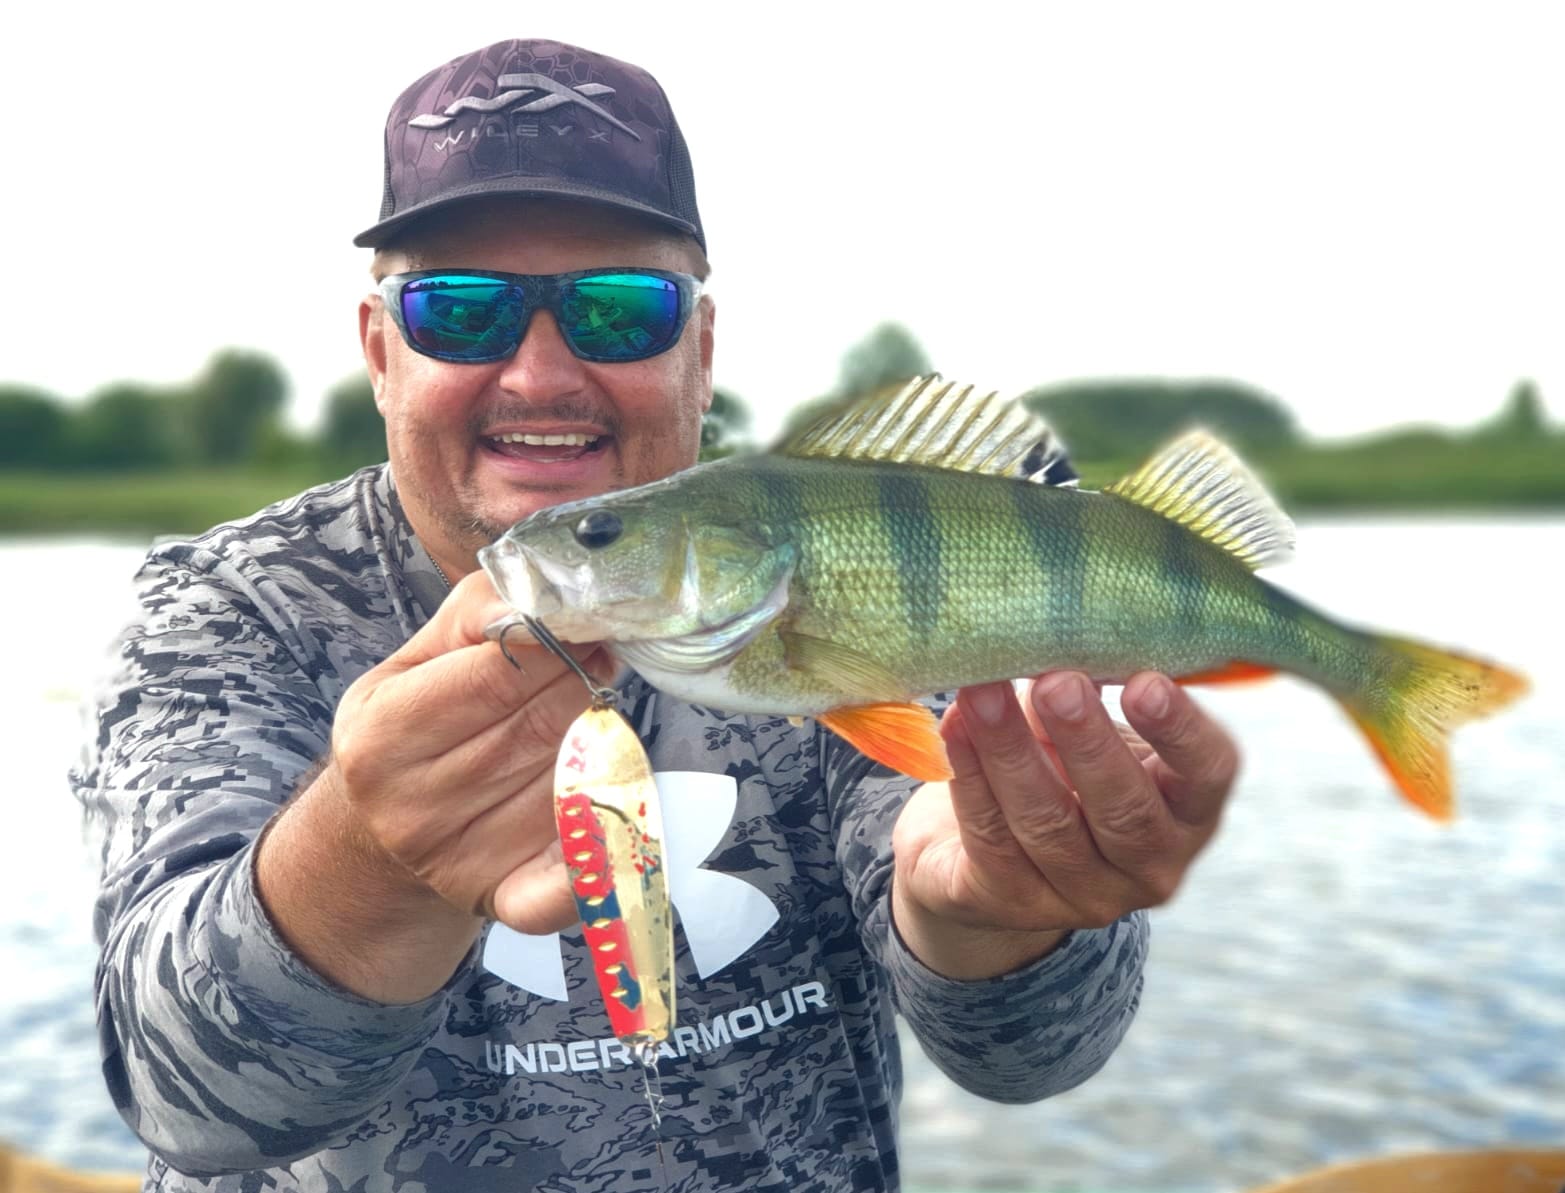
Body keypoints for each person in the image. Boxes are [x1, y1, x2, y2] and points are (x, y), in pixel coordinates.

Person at [74, 38, 1239, 1193]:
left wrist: (997, 919)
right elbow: (184, 1101)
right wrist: (364, 864)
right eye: (459, 310)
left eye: (621, 309)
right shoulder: (223, 613)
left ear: (701, 350)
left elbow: (1031, 1055)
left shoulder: (819, 568)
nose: (540, 374)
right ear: (380, 352)